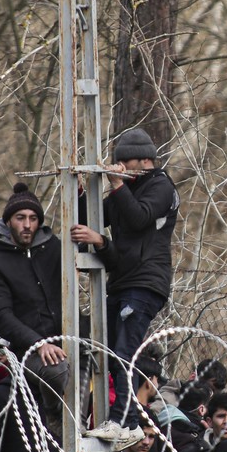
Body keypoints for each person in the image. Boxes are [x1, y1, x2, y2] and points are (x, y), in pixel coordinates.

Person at [70, 127, 179, 431]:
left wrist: (117, 183)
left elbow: (138, 217)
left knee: (124, 353)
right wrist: (80, 195)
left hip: (144, 284)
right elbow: (95, 217)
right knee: (103, 350)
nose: (119, 170)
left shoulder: (161, 187)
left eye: (124, 165)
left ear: (145, 161)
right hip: (121, 281)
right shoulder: (127, 191)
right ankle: (105, 416)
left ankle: (125, 421)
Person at [0, 182, 67, 432]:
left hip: (64, 340)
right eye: (20, 218)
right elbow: (1, 317)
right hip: (26, 352)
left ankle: (75, 428)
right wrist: (38, 343)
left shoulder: (53, 248)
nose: (27, 224)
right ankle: (55, 416)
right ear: (8, 222)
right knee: (56, 370)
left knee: (93, 357)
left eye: (33, 218)